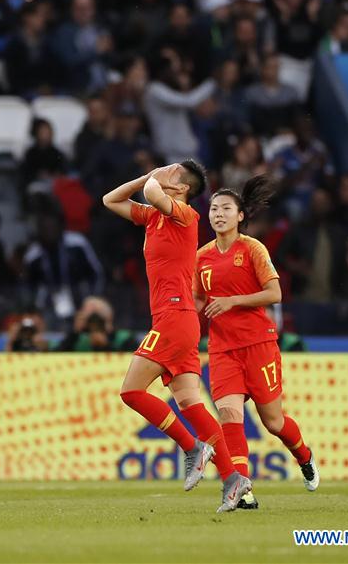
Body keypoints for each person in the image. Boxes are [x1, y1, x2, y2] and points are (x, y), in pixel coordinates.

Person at [103, 161, 251, 512]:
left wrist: (157, 176)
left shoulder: (185, 214)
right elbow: (110, 200)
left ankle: (192, 447)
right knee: (192, 406)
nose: (160, 177)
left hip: (173, 318)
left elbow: (154, 191)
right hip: (179, 321)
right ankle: (234, 480)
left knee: (131, 391)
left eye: (171, 175)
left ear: (182, 187)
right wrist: (146, 175)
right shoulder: (155, 217)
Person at [195, 176, 319, 510]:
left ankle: (304, 456)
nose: (218, 214)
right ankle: (243, 490)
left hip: (258, 345)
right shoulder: (202, 257)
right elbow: (196, 301)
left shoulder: (253, 249)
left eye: (226, 209)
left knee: (273, 422)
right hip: (221, 349)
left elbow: (275, 293)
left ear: (239, 216)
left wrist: (233, 301)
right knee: (228, 415)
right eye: (214, 209)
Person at [56, 296, 137, 351]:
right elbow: (56, 356)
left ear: (107, 317)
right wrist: (74, 333)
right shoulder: (79, 340)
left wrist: (106, 345)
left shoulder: (124, 339)